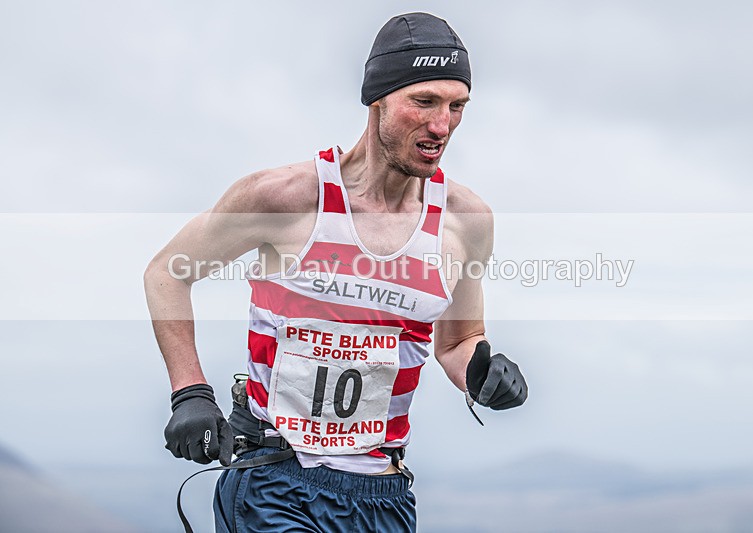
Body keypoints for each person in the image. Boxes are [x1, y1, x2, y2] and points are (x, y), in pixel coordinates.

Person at [144, 12, 528, 532]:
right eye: (425, 102)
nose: (443, 125)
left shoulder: (466, 221)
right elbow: (168, 273)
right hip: (273, 477)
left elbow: (458, 343)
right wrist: (189, 392)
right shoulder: (283, 198)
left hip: (382, 492)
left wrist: (483, 376)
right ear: (377, 100)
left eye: (457, 106)